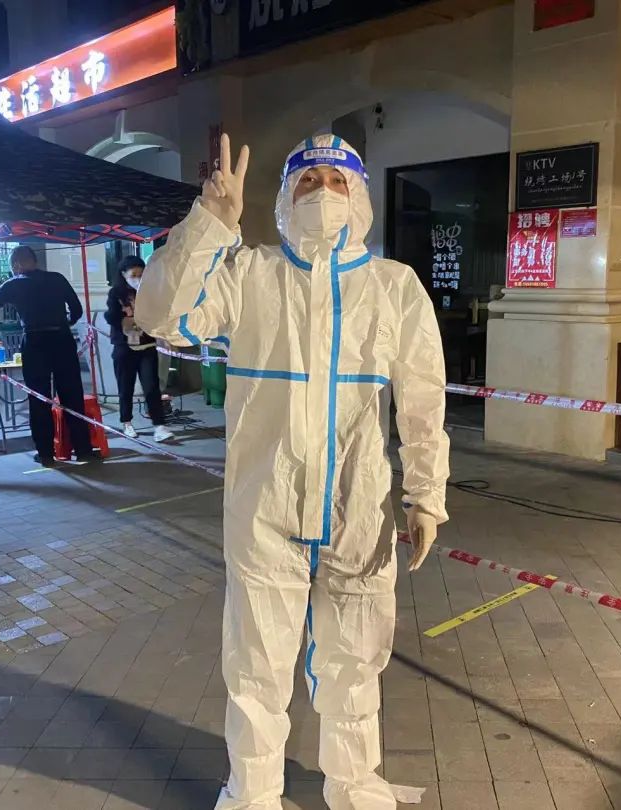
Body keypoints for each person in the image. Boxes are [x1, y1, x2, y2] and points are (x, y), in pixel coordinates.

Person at [135, 134, 449, 810]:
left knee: (355, 660)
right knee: (256, 665)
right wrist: (210, 222)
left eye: (337, 181)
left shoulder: (394, 287)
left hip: (358, 506)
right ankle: (253, 794)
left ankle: (354, 783)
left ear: (358, 195)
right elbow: (161, 315)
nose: (323, 193)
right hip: (265, 510)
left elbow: (423, 402)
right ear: (284, 197)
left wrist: (426, 494)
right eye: (308, 181)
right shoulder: (250, 274)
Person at [0, 245, 97, 466]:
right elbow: (77, 309)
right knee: (72, 395)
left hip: (34, 342)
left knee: (39, 398)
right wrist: (65, 323)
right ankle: (83, 450)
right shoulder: (57, 279)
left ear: (15, 265)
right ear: (35, 261)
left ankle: (46, 454)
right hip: (62, 340)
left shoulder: (13, 285)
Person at [105, 255, 174, 443]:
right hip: (124, 346)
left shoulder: (150, 292)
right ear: (123, 275)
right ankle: (127, 422)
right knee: (125, 387)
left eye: (141, 274)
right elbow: (110, 316)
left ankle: (159, 425)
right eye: (133, 275)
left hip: (147, 345)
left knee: (152, 387)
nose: (137, 279)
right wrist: (124, 317)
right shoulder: (116, 293)